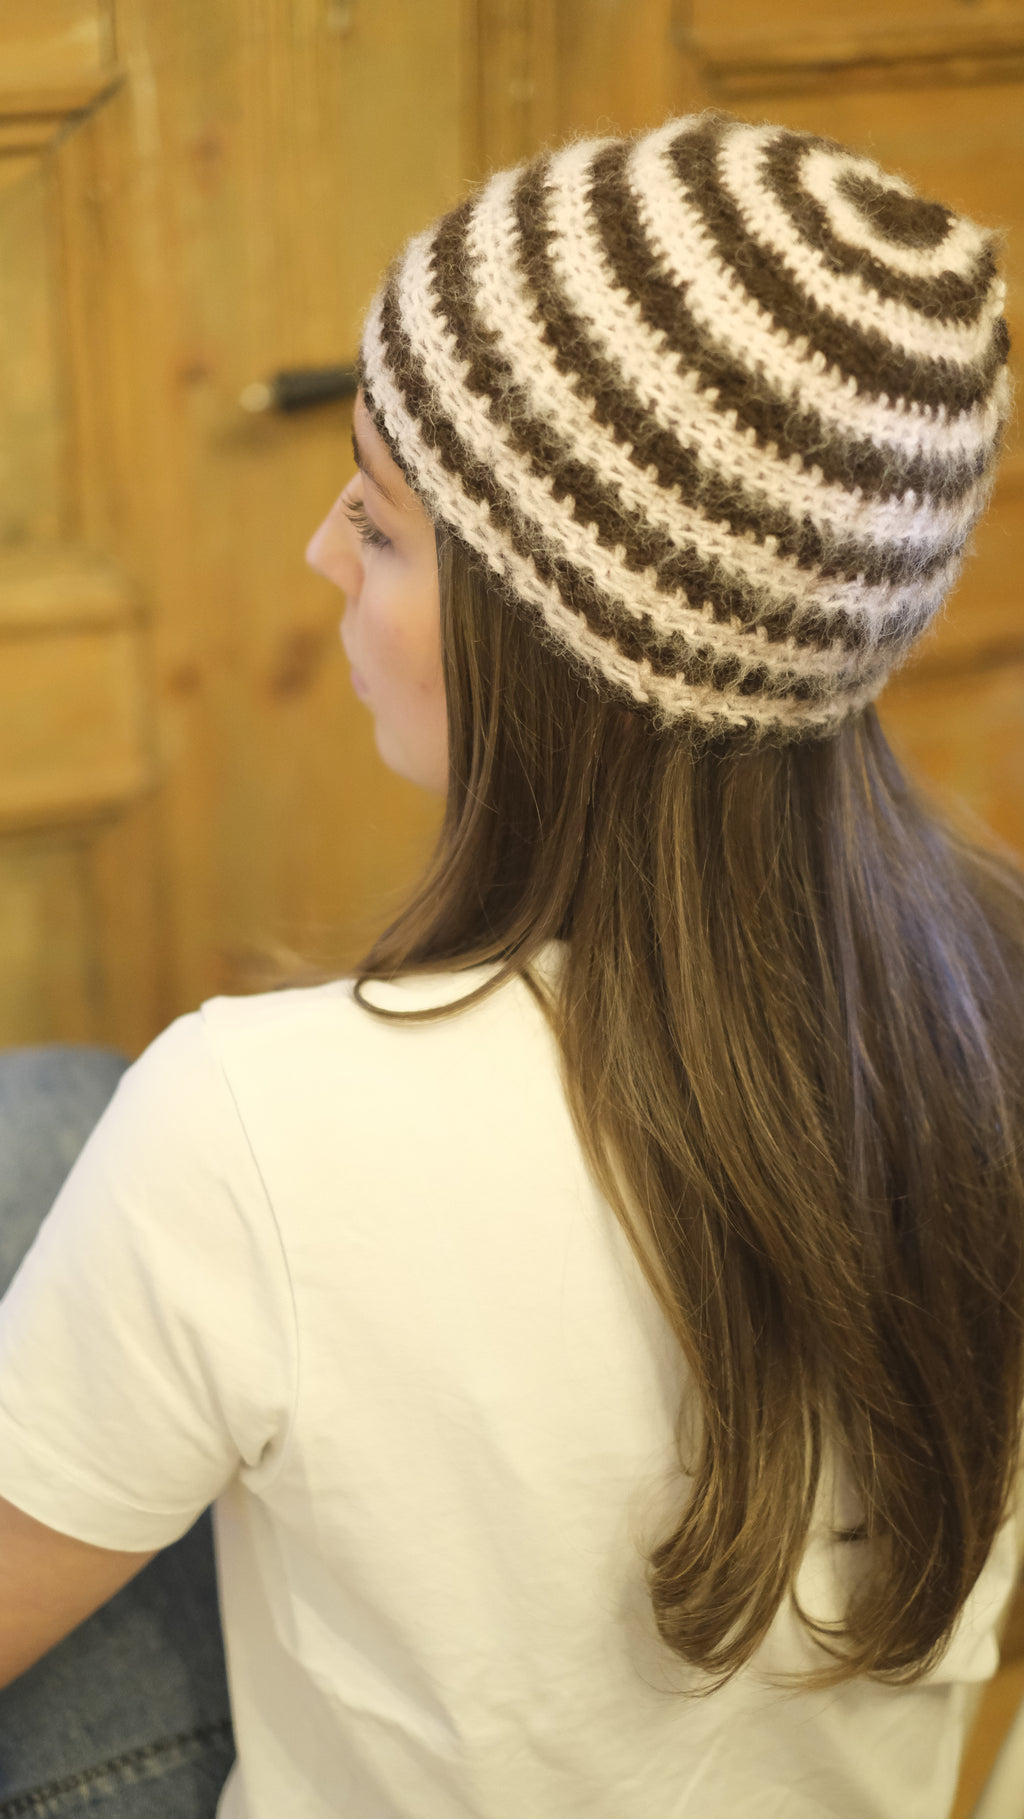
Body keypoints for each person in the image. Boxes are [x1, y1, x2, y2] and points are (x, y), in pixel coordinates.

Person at [0, 108, 1022, 1819]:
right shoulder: (992, 1003)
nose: (322, 554)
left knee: (44, 1114)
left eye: (382, 525)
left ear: (559, 642)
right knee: (59, 1114)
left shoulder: (257, 1120)